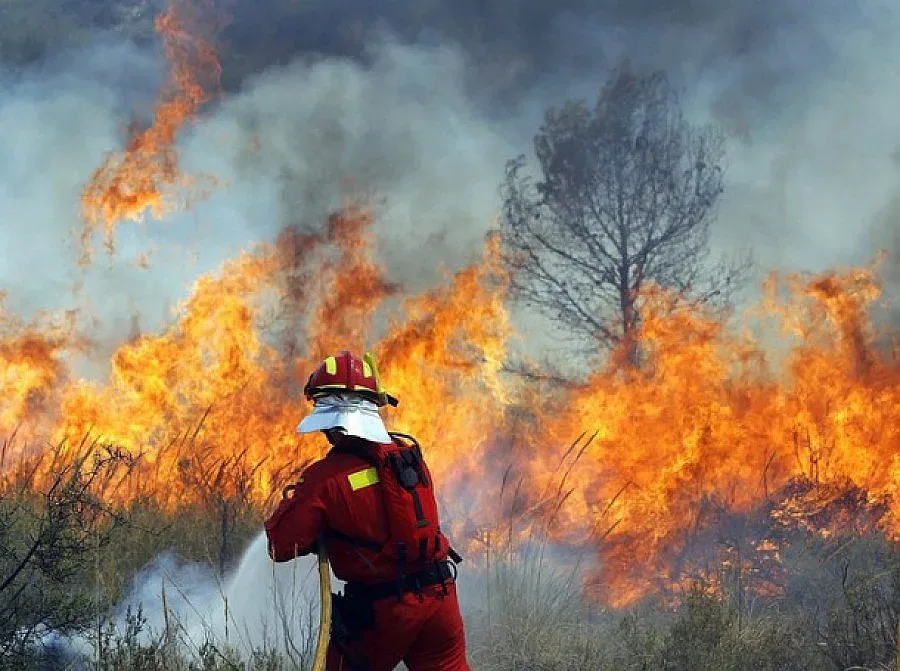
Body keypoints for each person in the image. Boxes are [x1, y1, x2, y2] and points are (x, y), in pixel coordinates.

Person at [264, 350, 470, 671]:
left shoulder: (325, 479)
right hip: (440, 598)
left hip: (384, 612)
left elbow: (280, 545)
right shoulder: (408, 457)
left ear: (330, 420)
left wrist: (299, 504)